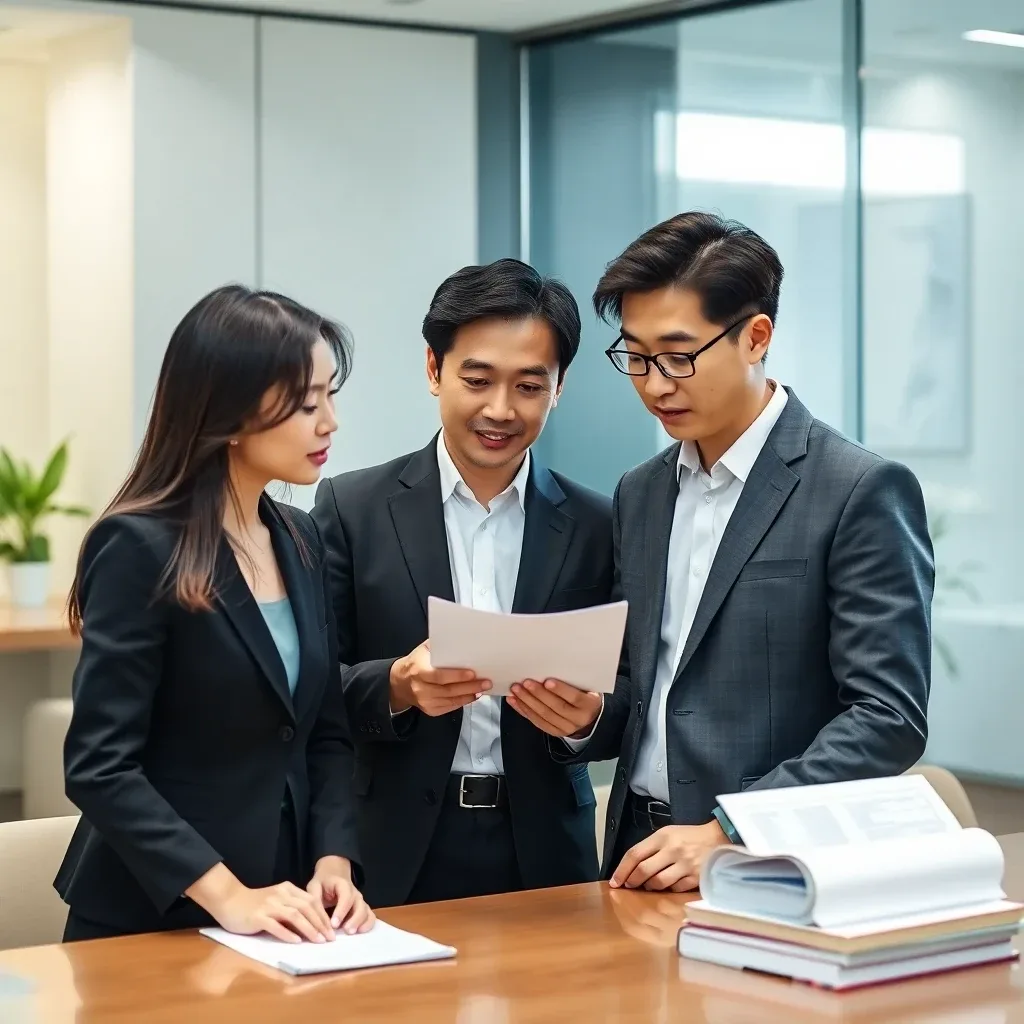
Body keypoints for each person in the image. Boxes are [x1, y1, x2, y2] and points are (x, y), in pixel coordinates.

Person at [526, 211, 934, 893]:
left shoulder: (857, 489)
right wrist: (592, 717)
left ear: (756, 336)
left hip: (766, 866)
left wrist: (730, 829)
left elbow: (886, 716)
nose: (655, 385)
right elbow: (653, 690)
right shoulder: (641, 493)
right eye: (635, 356)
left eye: (679, 355)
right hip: (635, 854)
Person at [57, 284, 375, 942]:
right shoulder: (139, 547)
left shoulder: (300, 537)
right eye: (306, 403)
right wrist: (228, 895)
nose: (330, 422)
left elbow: (325, 733)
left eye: (330, 396)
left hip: (283, 920)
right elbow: (100, 766)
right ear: (228, 414)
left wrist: (334, 862)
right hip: (149, 917)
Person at [312, 258, 613, 907]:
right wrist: (397, 684)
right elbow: (311, 692)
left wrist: (589, 718)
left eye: (530, 386)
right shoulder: (352, 509)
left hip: (545, 853)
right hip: (392, 847)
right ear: (433, 369)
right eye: (477, 380)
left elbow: (638, 695)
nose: (500, 410)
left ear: (559, 387)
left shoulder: (599, 524)